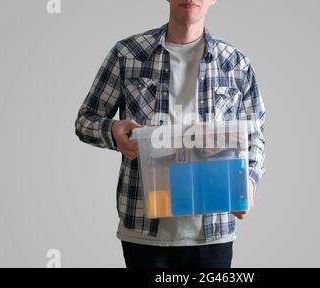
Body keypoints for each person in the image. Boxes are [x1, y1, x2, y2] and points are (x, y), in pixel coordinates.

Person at [74, 0, 266, 268]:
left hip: (213, 230)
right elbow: (86, 121)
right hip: (143, 228)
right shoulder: (127, 53)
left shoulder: (236, 64)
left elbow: (254, 136)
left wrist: (250, 182)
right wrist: (113, 131)